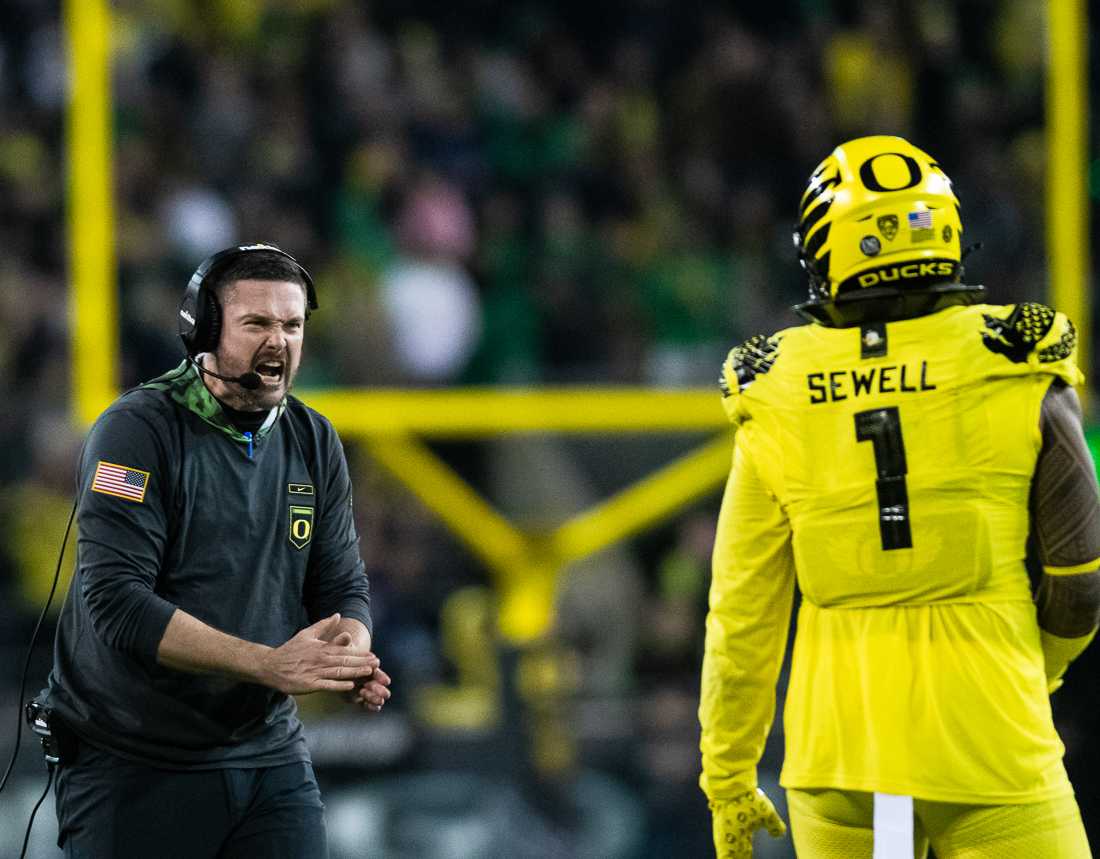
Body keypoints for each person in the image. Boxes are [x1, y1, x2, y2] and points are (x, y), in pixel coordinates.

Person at [699, 136, 1100, 858]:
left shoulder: (774, 387)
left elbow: (742, 612)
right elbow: (1078, 586)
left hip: (838, 755)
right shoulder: (1019, 357)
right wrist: (1023, 671)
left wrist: (727, 776)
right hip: (993, 740)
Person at [38, 244, 392, 858]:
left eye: (292, 324)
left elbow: (341, 587)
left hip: (267, 753)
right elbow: (117, 604)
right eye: (256, 323)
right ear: (202, 330)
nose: (278, 342)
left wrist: (346, 654)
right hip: (135, 760)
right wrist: (268, 665)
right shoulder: (138, 431)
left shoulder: (313, 438)